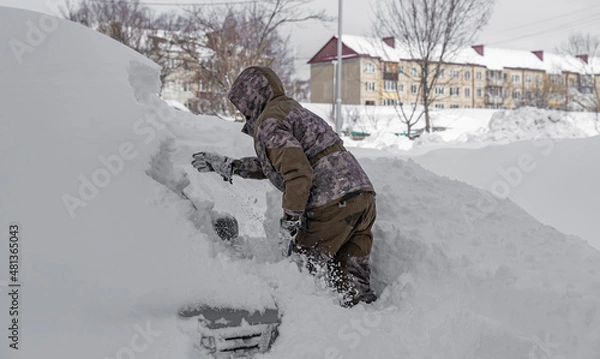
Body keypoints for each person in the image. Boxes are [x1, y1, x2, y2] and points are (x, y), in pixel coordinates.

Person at [191, 66, 377, 307]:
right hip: (362, 197)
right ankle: (369, 325)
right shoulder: (293, 111)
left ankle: (302, 331)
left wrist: (291, 220)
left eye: (241, 106)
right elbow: (282, 163)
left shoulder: (269, 122)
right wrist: (233, 166)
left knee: (301, 273)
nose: (242, 113)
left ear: (250, 97)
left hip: (330, 203)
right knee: (353, 282)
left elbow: (298, 174)